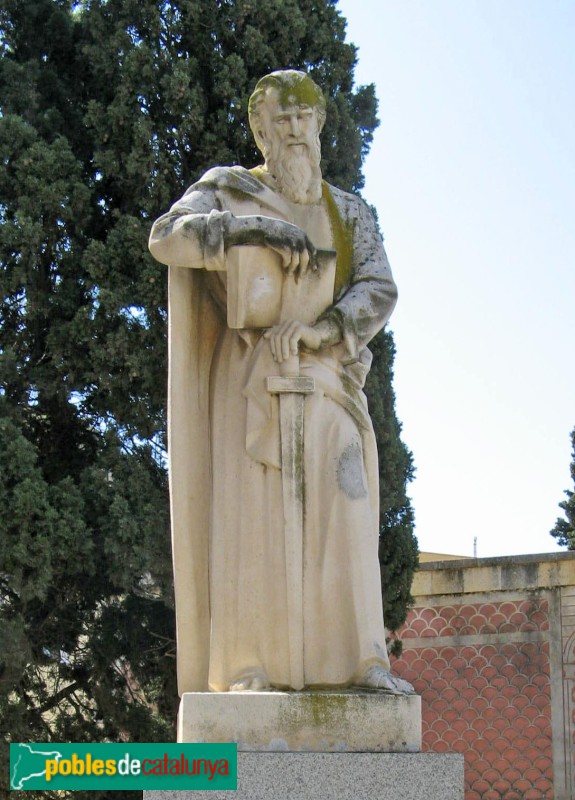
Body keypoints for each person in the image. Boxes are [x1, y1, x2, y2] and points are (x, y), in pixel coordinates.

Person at [149, 70, 413, 695]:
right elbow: (166, 238)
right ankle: (247, 670)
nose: (295, 130)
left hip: (328, 382)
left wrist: (323, 331)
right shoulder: (228, 192)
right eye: (282, 119)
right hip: (248, 379)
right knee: (253, 522)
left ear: (320, 126)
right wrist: (249, 230)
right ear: (259, 128)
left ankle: (363, 661)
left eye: (305, 118)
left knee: (347, 510)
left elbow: (379, 289)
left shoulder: (348, 212)